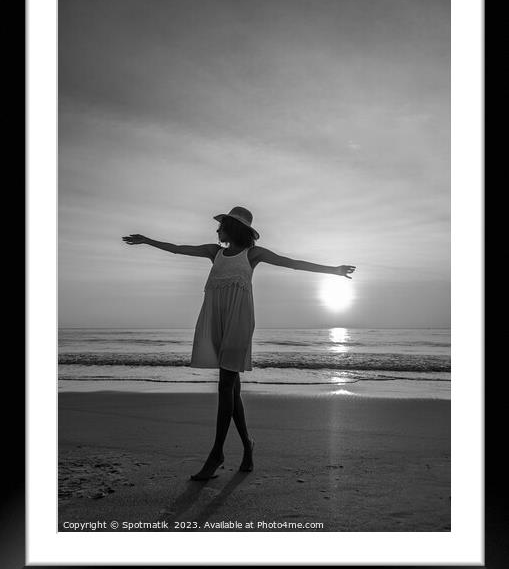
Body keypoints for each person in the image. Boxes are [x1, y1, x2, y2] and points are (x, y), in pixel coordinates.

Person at [123, 206, 356, 481]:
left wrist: (335, 270)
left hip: (239, 322)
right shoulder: (215, 252)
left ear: (233, 228)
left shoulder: (253, 255)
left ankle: (216, 454)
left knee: (225, 384)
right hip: (217, 320)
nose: (217, 230)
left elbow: (291, 263)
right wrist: (147, 240)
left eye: (221, 225)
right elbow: (177, 248)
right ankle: (247, 445)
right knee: (231, 391)